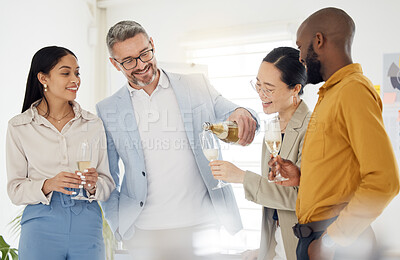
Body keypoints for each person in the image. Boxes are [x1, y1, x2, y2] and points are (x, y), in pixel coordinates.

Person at [96, 20, 258, 259]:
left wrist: (243, 113)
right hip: (143, 230)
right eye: (129, 61)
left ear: (152, 44)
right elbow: (108, 176)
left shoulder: (196, 85)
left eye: (144, 53)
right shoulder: (107, 109)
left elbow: (239, 115)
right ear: (114, 63)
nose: (141, 65)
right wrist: (118, 223)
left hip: (202, 223)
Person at [269, 7, 400, 260]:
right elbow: (340, 169)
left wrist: (332, 240)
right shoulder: (331, 94)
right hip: (318, 239)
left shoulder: (352, 91)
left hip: (335, 243)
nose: (299, 58)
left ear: (318, 41)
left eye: (301, 46)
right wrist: (302, 177)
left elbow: (384, 181)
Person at [6, 46, 115, 260]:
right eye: (66, 73)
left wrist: (93, 185)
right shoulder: (19, 127)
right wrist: (48, 184)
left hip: (87, 224)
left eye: (77, 72)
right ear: (43, 78)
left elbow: (108, 184)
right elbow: (15, 190)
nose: (75, 79)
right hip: (40, 223)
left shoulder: (93, 124)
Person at [210, 47, 310, 260]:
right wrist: (266, 250)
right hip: (278, 244)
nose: (261, 95)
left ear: (295, 89)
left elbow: (299, 198)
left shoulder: (311, 128)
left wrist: (241, 177)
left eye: (269, 89)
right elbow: (273, 197)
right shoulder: (273, 126)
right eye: (258, 85)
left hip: (303, 245)